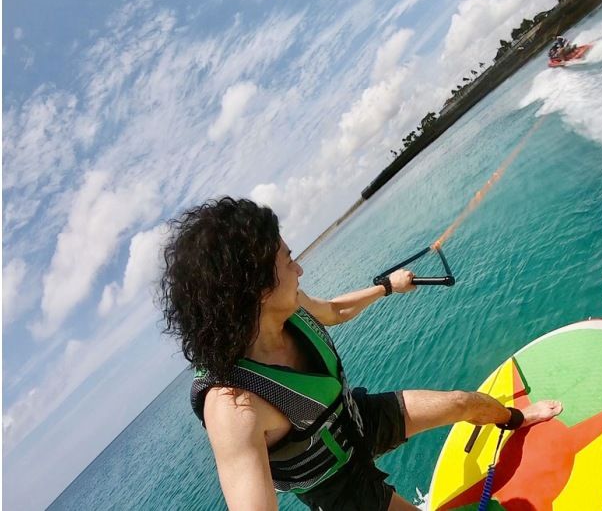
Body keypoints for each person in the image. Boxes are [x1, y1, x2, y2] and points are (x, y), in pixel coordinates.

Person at [160, 197, 562, 510]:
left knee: (460, 403)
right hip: (339, 489)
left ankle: (516, 417)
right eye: (288, 260)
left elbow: (335, 311)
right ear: (257, 288)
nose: (299, 270)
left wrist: (388, 286)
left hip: (353, 419)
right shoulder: (232, 407)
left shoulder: (289, 305)